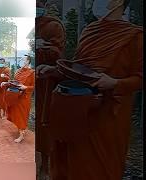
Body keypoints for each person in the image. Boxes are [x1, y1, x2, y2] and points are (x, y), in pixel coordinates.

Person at [37, 0, 143, 179]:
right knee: (73, 163)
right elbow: (79, 69)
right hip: (79, 111)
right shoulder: (89, 31)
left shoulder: (135, 36)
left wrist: (116, 83)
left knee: (100, 168)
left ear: (118, 2)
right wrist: (54, 71)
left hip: (109, 115)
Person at [35, 1, 66, 179]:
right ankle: (40, 162)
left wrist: (44, 47)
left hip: (49, 82)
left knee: (46, 123)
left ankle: (47, 167)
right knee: (38, 124)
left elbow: (58, 54)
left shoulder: (53, 25)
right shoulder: (31, 25)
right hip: (35, 82)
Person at [1, 55, 35, 143]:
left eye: (23, 59)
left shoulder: (32, 73)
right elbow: (14, 82)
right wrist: (6, 83)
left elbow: (34, 87)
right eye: (20, 59)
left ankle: (21, 135)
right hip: (16, 96)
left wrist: (26, 87)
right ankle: (21, 130)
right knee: (15, 114)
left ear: (28, 61)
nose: (21, 60)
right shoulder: (18, 71)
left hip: (24, 98)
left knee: (21, 116)